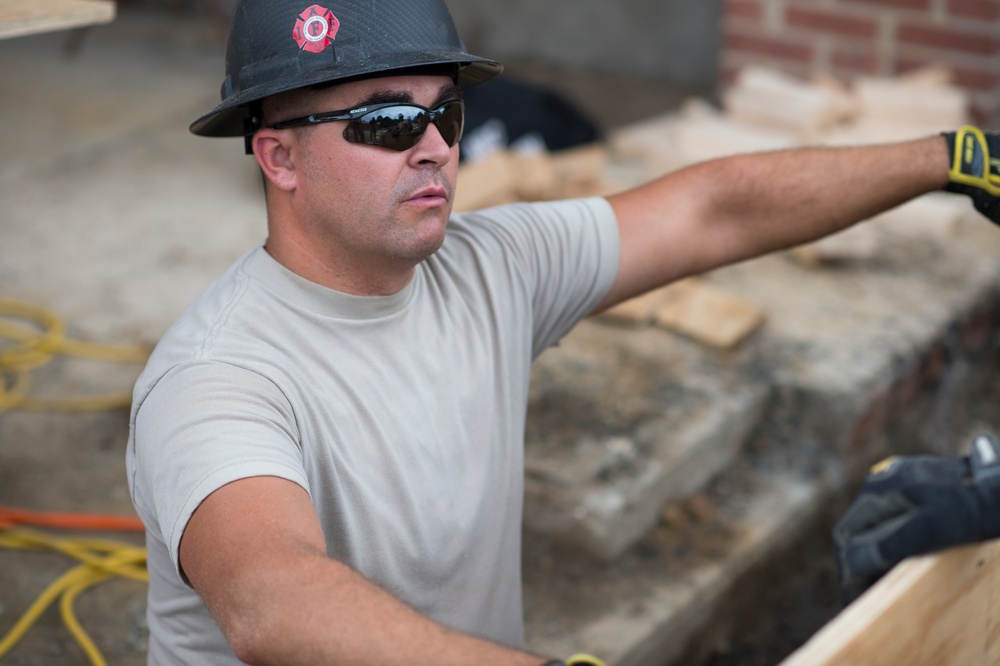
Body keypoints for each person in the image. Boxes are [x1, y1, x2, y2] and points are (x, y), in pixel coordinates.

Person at [124, 0, 1000, 664]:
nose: (433, 147)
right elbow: (270, 599)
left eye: (446, 114)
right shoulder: (217, 378)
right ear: (277, 156)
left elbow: (713, 210)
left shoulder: (488, 267)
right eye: (387, 121)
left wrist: (948, 156)